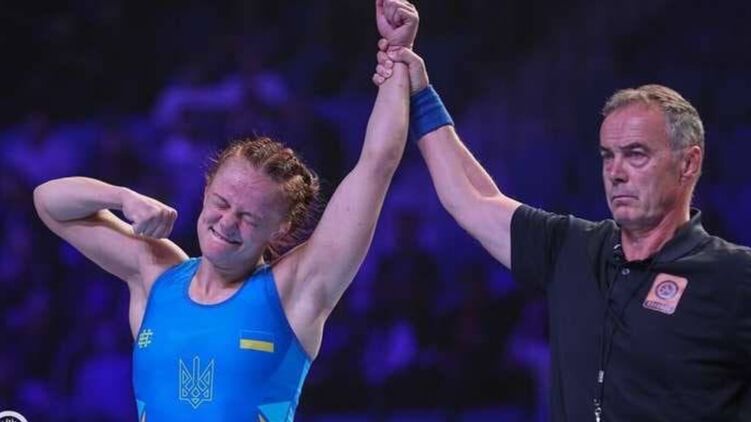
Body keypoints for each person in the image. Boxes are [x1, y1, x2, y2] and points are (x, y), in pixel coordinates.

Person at [33, 2, 412, 420]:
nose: (227, 223)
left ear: (281, 227)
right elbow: (50, 202)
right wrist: (121, 198)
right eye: (222, 203)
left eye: (249, 217)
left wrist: (398, 55)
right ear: (206, 190)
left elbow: (377, 163)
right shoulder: (154, 273)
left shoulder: (296, 289)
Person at [373, 2, 751, 420]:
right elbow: (472, 198)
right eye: (607, 156)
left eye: (636, 154)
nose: (616, 172)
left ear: (688, 163)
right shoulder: (573, 248)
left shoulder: (735, 277)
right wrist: (419, 91)